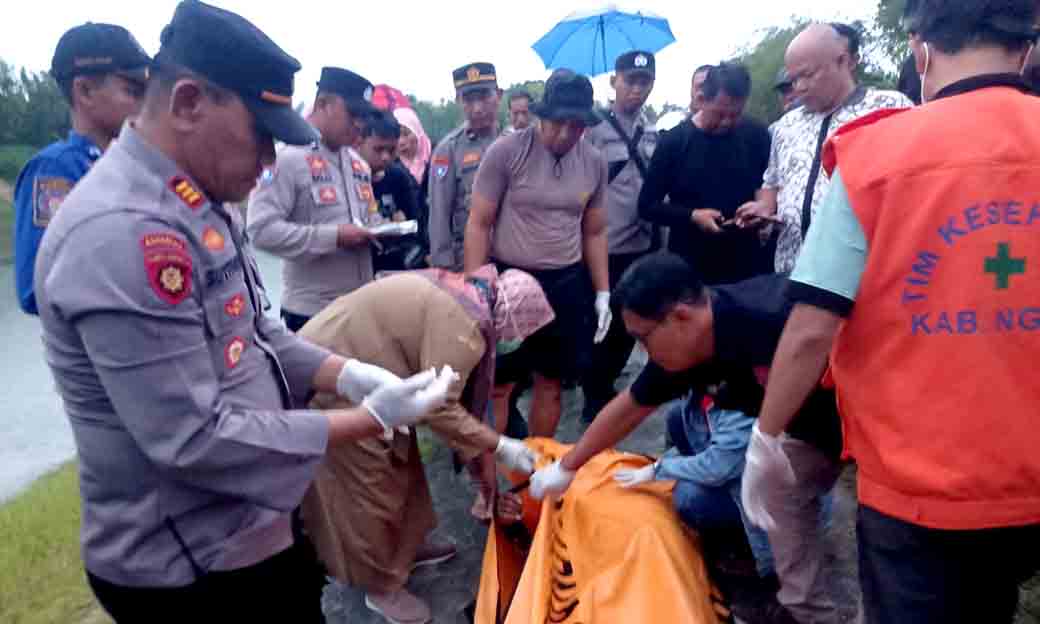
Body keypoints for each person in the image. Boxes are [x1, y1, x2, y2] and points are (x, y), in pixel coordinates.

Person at [31, 2, 452, 621]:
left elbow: (257, 333)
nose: (267, 159)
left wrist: (349, 374)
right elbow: (193, 437)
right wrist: (368, 420)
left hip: (250, 519)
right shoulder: (123, 233)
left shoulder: (197, 200)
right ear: (188, 102)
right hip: (190, 562)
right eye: (261, 134)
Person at [743, 1, 1040, 622]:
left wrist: (766, 440)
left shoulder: (875, 155)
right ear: (1027, 49)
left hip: (921, 488)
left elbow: (811, 326)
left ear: (921, 50)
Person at [528, 253, 842, 624]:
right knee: (782, 511)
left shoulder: (769, 319)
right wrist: (567, 466)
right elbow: (629, 406)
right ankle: (802, 607)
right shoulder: (686, 347)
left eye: (642, 338)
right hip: (797, 433)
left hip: (860, 416)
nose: (643, 352)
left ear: (680, 316)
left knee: (886, 544)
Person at [298, 266, 553, 624]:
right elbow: (444, 412)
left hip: (375, 373)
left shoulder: (472, 298)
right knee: (368, 487)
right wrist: (500, 446)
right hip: (335, 380)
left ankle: (406, 549)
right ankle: (380, 587)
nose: (515, 342)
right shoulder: (463, 329)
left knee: (402, 466)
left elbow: (454, 407)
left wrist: (484, 472)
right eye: (517, 333)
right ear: (509, 316)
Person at [464, 69, 610, 438]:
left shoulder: (593, 162)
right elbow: (479, 222)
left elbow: (594, 231)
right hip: (511, 282)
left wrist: (603, 292)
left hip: (565, 282)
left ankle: (537, 468)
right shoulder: (507, 152)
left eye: (576, 126)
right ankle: (496, 477)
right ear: (541, 116)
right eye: (557, 123)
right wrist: (476, 291)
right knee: (499, 383)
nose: (565, 134)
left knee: (552, 379)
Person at [736, 23, 913, 274]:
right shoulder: (786, 125)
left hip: (862, 272)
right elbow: (772, 181)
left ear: (843, 61)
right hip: (792, 269)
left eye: (807, 75)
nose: (799, 87)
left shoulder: (890, 108)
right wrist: (764, 208)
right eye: (794, 78)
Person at [13, 23, 150, 315]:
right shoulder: (56, 172)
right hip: (100, 353)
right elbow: (37, 288)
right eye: (133, 90)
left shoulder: (140, 167)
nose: (145, 104)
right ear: (85, 91)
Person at [246, 66, 380, 332]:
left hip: (360, 308)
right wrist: (334, 237)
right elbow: (261, 230)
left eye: (363, 116)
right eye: (353, 114)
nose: (359, 124)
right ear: (323, 105)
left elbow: (369, 218)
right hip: (311, 313)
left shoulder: (358, 165)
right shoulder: (288, 158)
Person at [639, 62, 773, 285]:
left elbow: (768, 185)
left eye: (736, 114)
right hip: (691, 268)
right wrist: (693, 216)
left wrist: (761, 211)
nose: (727, 122)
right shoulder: (675, 142)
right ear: (701, 100)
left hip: (747, 266)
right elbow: (647, 206)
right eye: (720, 114)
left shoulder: (756, 135)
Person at [580, 50, 659, 423]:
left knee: (632, 322)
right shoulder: (593, 128)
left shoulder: (652, 127)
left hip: (642, 241)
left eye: (645, 82)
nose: (637, 90)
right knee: (601, 323)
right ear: (614, 81)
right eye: (630, 81)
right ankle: (593, 394)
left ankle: (606, 383)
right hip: (604, 245)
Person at [428, 62, 503, 271]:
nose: (477, 108)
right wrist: (443, 269)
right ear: (458, 101)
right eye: (468, 100)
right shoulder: (448, 150)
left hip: (511, 258)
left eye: (484, 97)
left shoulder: (513, 143)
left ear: (499, 95)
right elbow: (439, 215)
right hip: (468, 262)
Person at [357, 111, 424, 273]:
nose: (386, 157)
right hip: (360, 268)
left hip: (395, 267)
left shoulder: (398, 177)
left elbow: (415, 221)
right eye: (378, 149)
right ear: (359, 143)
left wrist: (401, 224)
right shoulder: (352, 179)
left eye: (391, 150)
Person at [392, 106, 434, 259]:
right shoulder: (391, 168)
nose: (401, 142)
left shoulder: (436, 157)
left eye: (406, 134)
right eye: (397, 135)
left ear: (417, 131)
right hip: (410, 246)